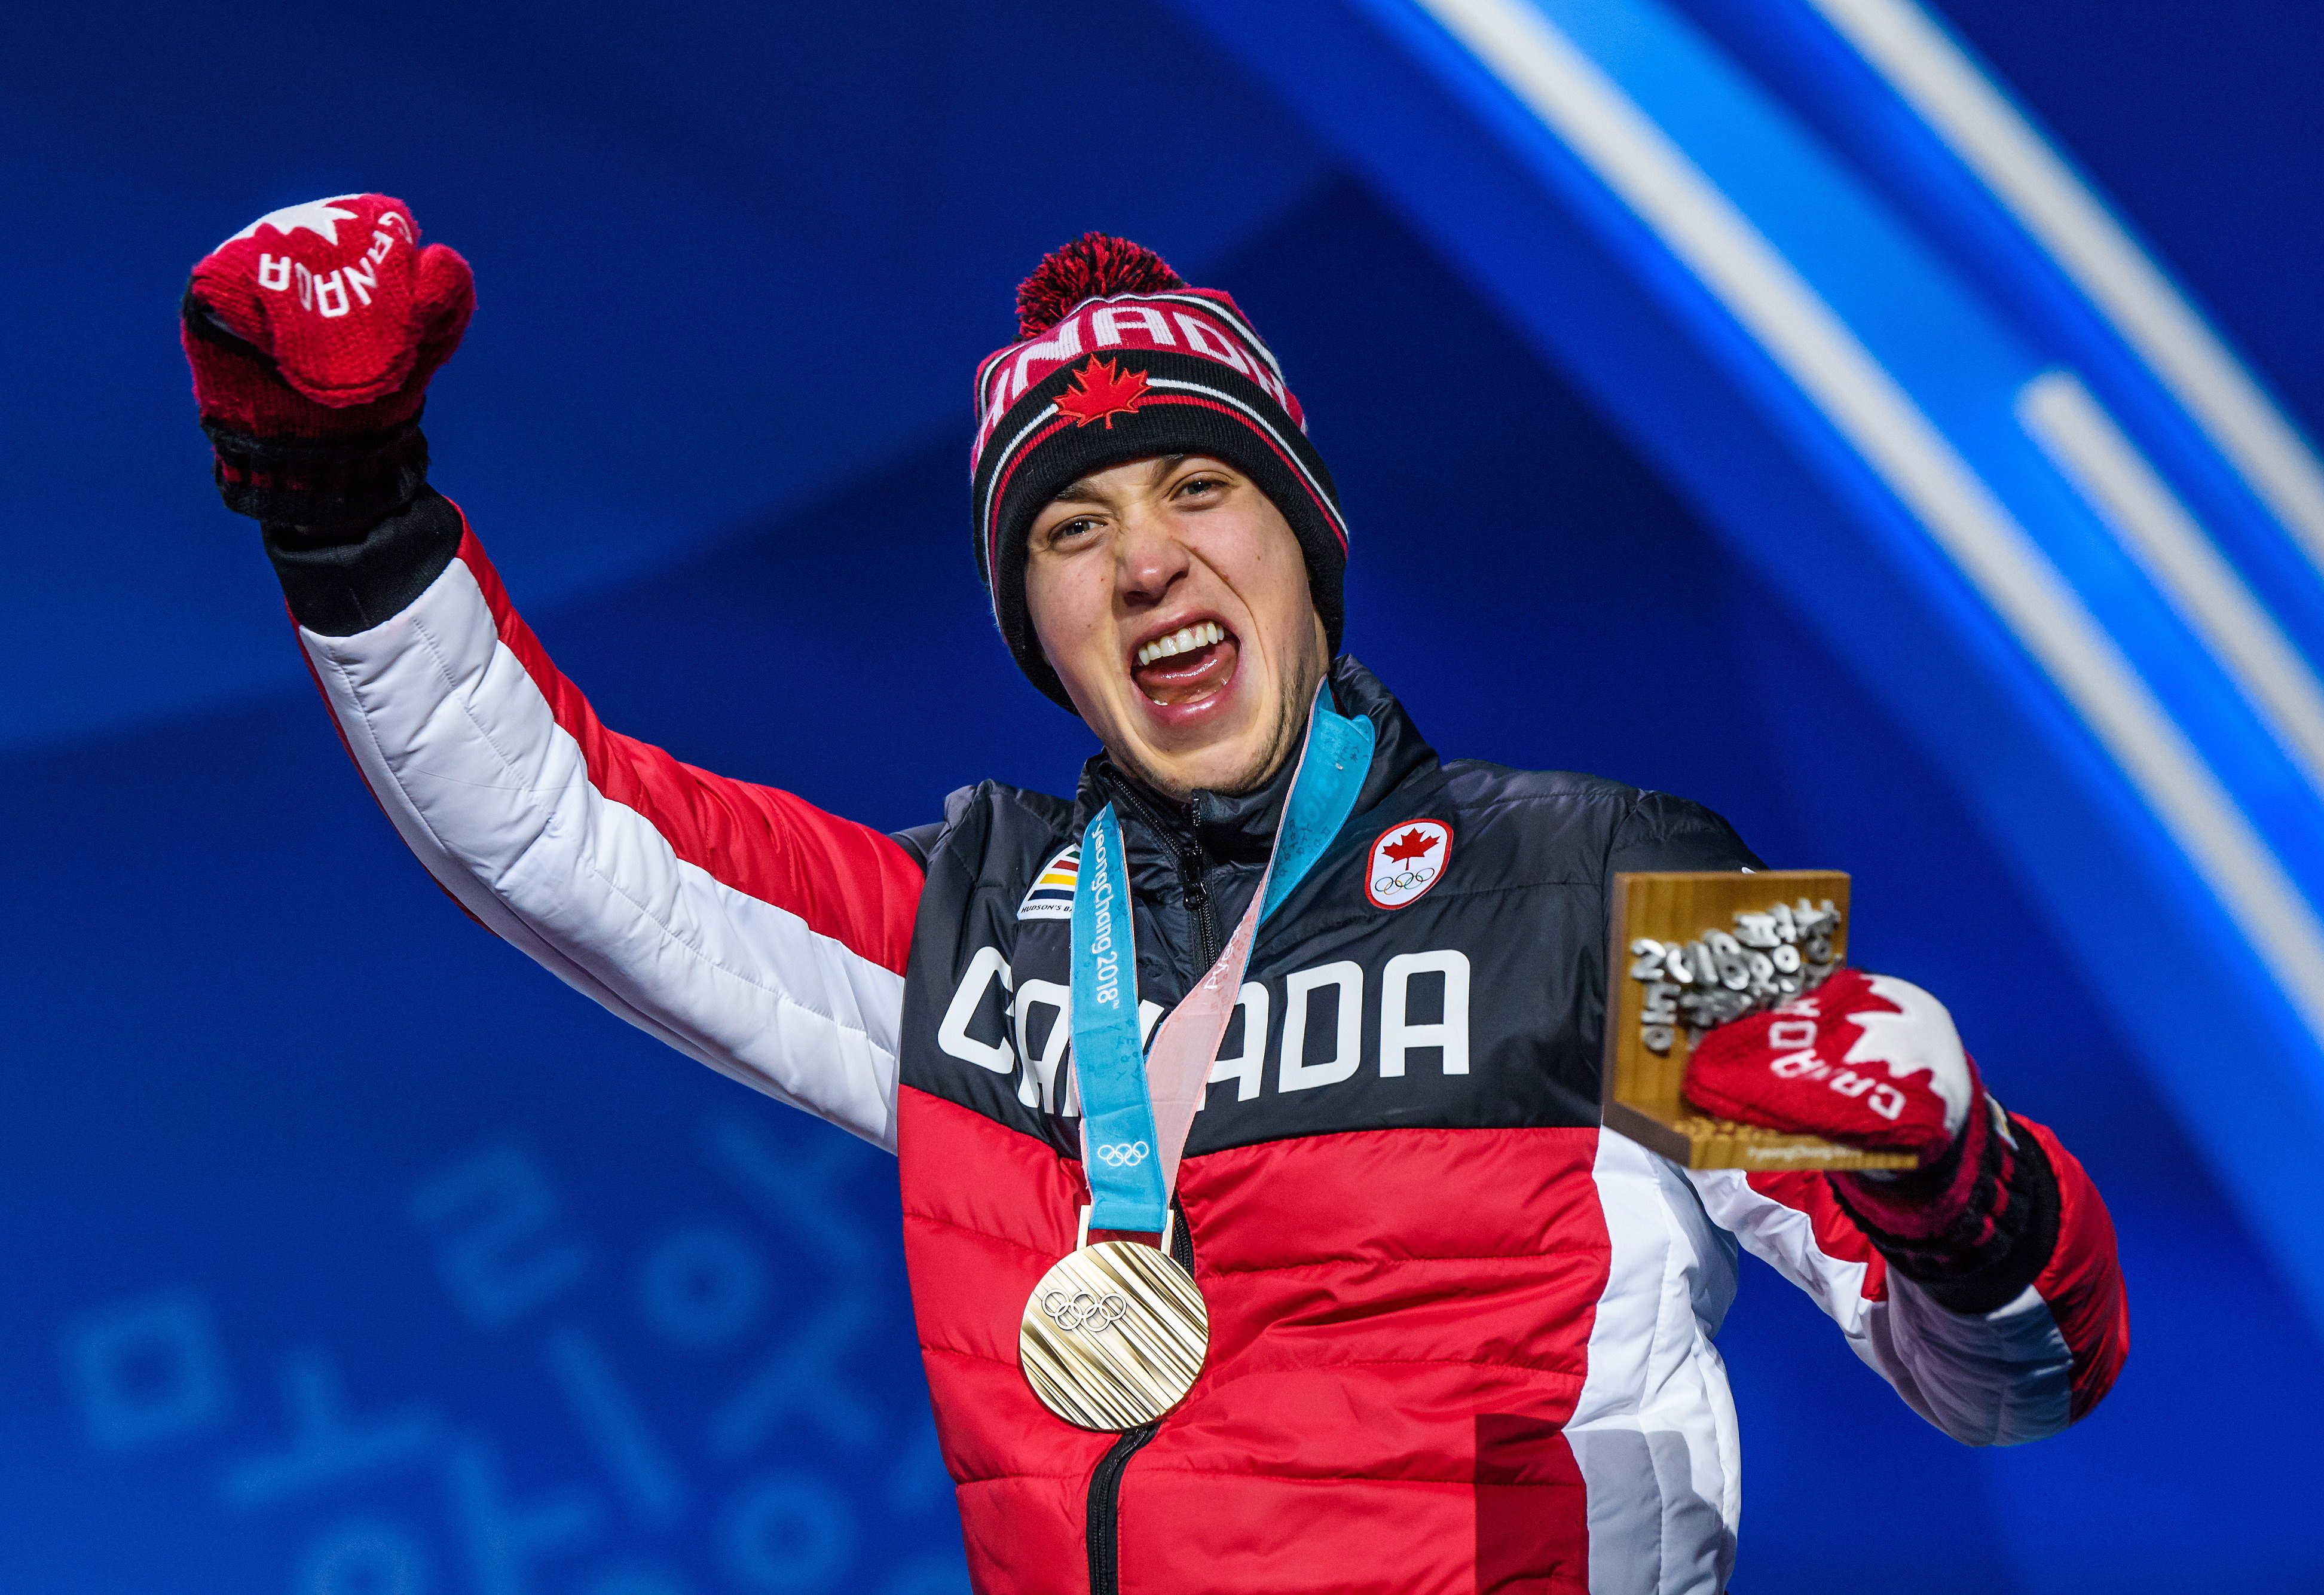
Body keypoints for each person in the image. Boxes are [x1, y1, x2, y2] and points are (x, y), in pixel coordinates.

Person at [181, 195, 2127, 1594]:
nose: (1144, 564)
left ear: (1303, 542)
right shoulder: (976, 924)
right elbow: (563, 833)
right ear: (1037, 624)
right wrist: (344, 500)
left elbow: (2013, 1383)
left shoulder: (1630, 864)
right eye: (1070, 528)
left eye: (1201, 492)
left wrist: (1959, 1195)